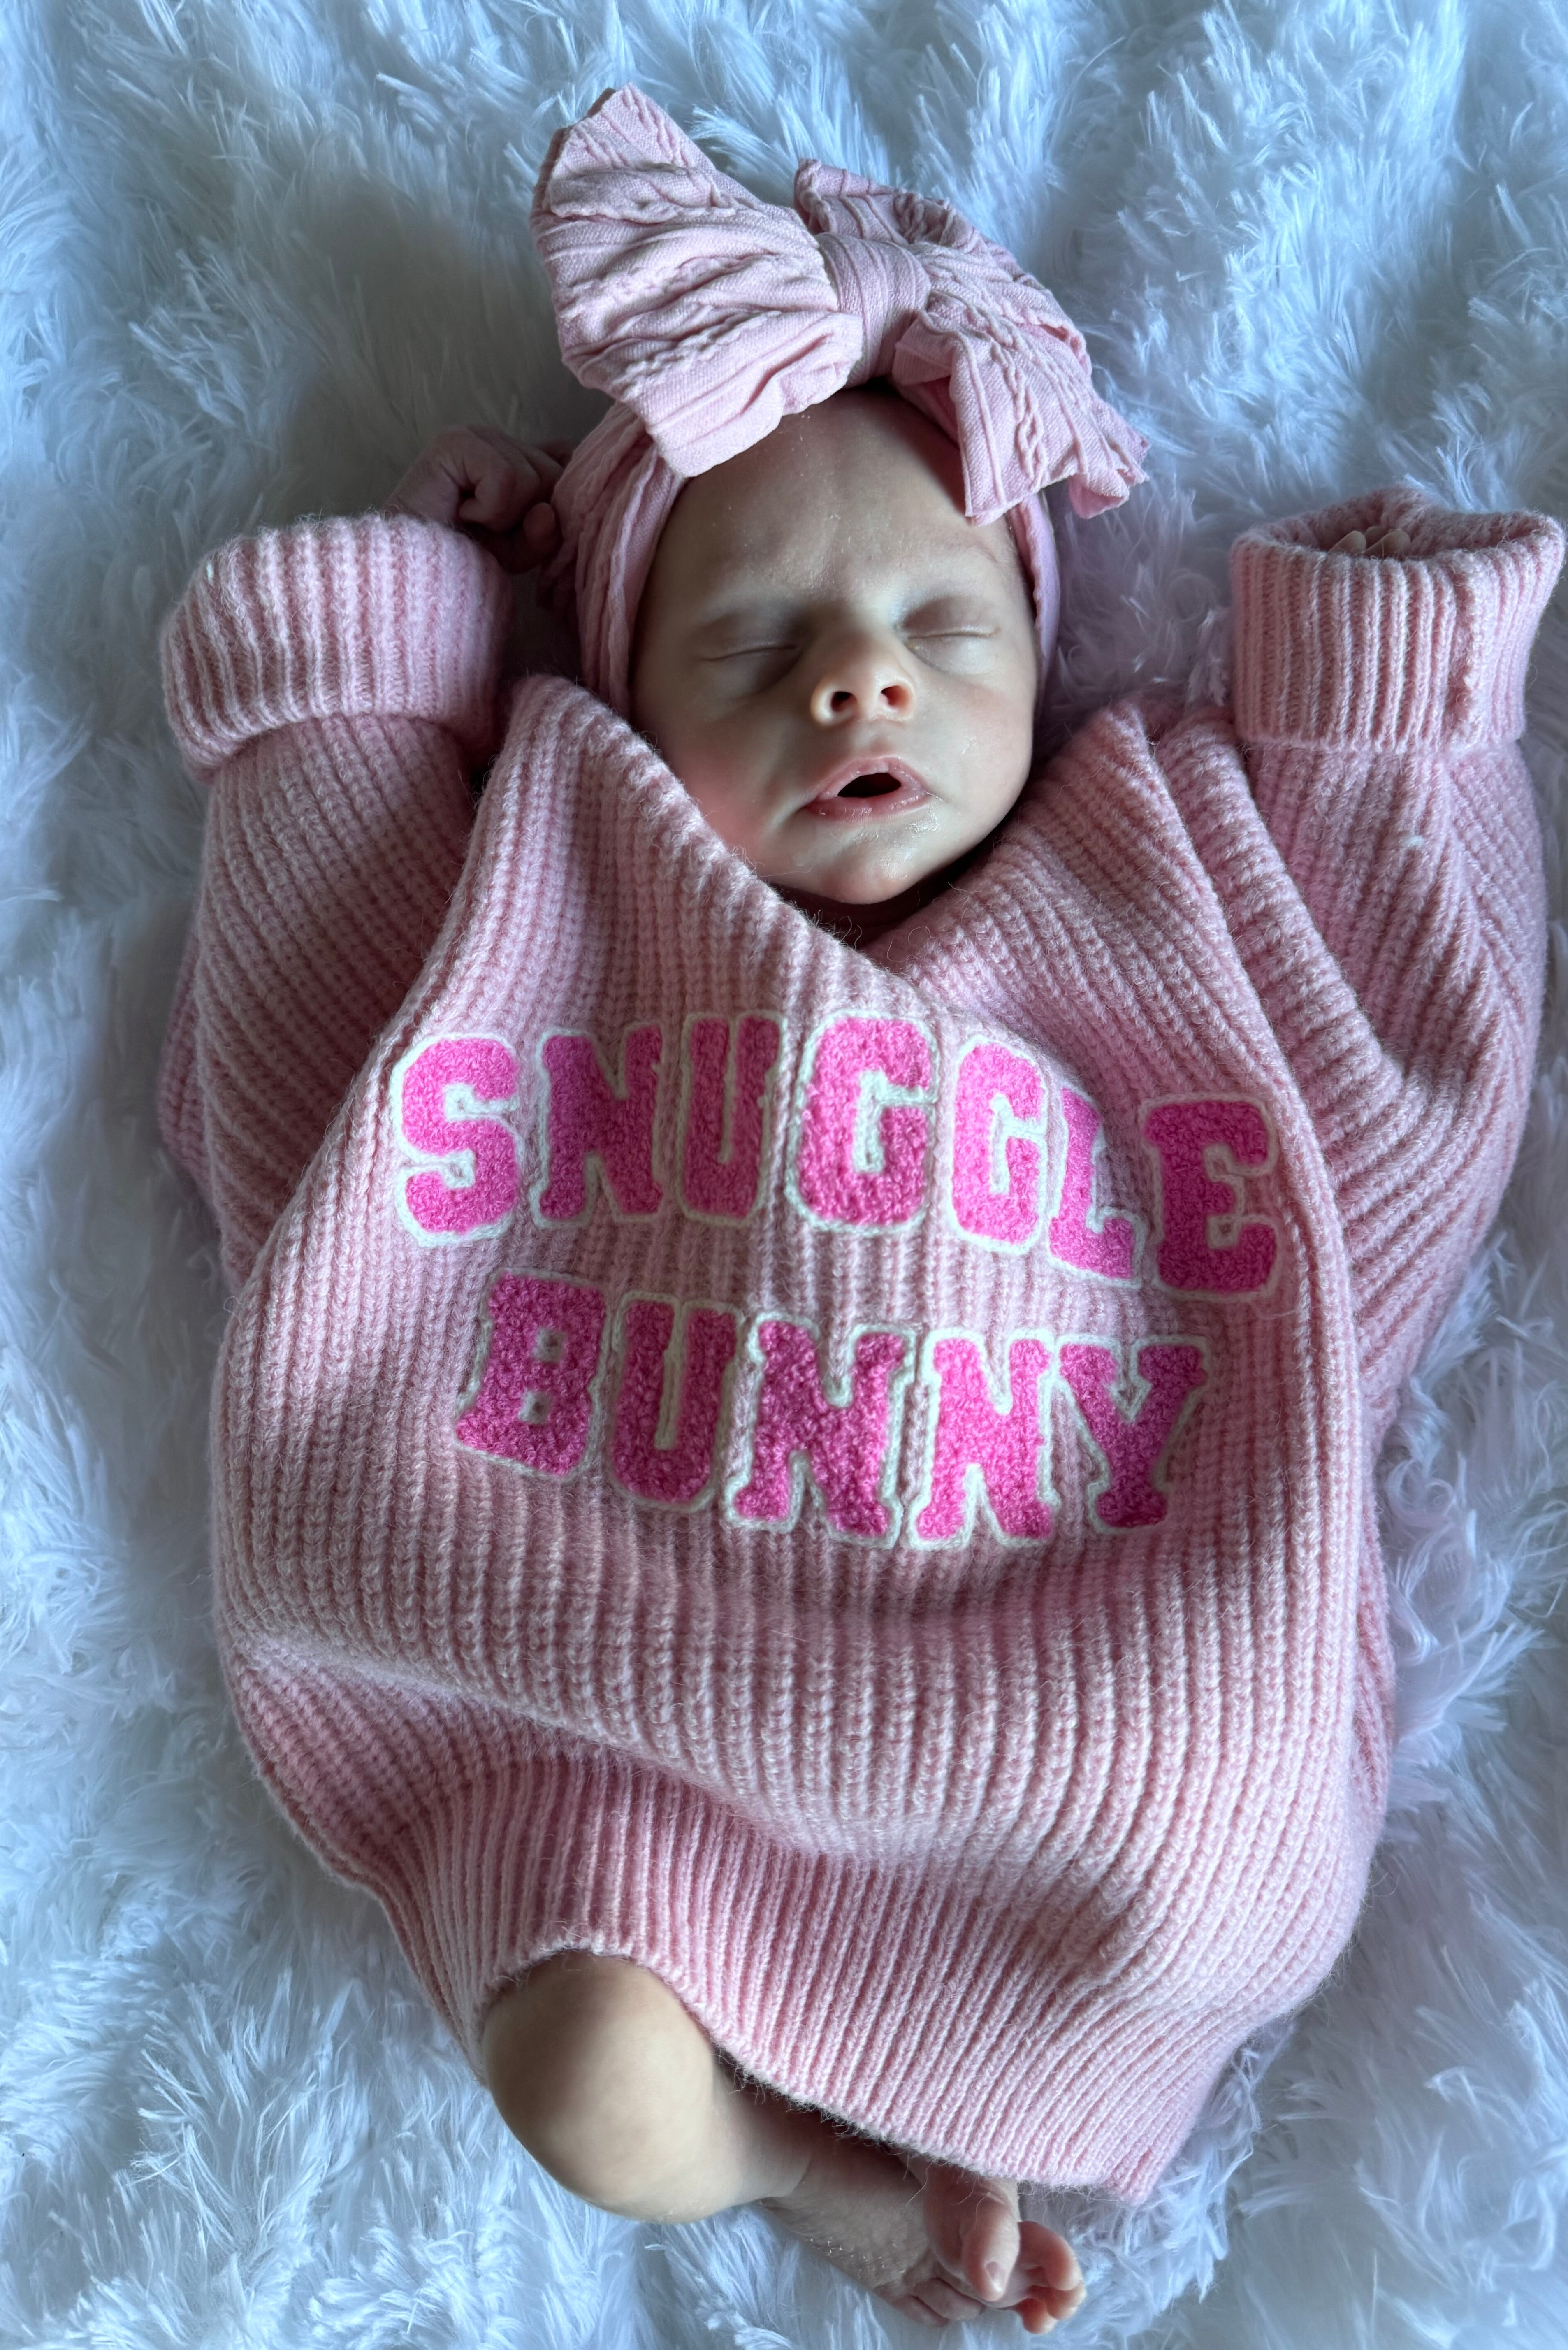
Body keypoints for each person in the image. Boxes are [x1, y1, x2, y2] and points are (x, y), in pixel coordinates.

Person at [154, 84, 1563, 2335]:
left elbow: (1393, 1095)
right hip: (619, 1707)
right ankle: (809, 2174)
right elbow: (311, 1074)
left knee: (1198, 1818)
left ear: (1038, 647)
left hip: (1089, 1711)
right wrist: (378, 664)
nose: (857, 673)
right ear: (614, 700)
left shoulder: (1152, 891)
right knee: (588, 2073)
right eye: (752, 642)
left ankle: (992, 2081)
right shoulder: (563, 894)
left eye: (936, 619)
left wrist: (1376, 713)